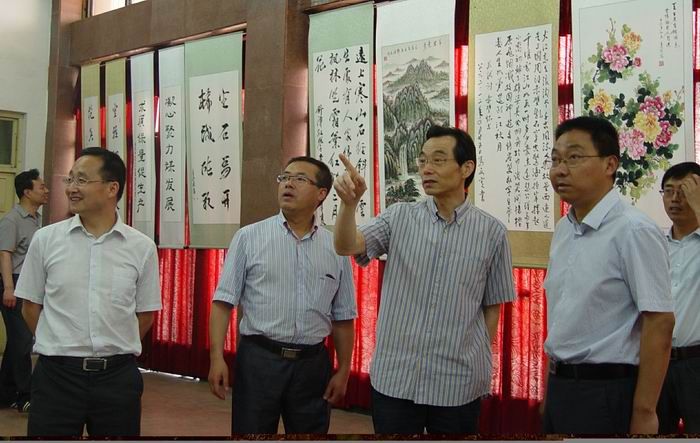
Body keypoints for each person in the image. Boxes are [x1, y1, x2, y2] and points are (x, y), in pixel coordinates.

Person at [333, 125, 515, 434]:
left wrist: (476, 359)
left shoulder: (491, 232)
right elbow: (346, 245)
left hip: (458, 382)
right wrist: (349, 206)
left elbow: (492, 306)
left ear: (466, 168)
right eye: (422, 160)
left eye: (438, 160)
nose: (426, 169)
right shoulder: (399, 216)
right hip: (397, 378)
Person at [14, 147, 162, 437]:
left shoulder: (141, 247)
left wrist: (113, 348)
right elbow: (30, 306)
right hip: (56, 378)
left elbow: (145, 315)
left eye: (81, 180)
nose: (71, 188)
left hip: (117, 380)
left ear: (112, 188)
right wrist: (59, 343)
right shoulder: (46, 240)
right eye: (70, 179)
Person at [542, 116, 675, 435]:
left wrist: (645, 411)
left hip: (607, 391)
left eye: (574, 157)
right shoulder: (563, 229)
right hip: (561, 386)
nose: (560, 170)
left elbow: (659, 321)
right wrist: (551, 392)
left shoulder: (634, 230)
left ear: (610, 164)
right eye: (556, 160)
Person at [208, 156, 357, 434]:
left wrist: (344, 370)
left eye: (300, 179)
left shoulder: (336, 246)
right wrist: (216, 357)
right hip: (259, 360)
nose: (288, 184)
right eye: (284, 177)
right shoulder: (249, 237)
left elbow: (344, 316)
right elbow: (223, 302)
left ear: (321, 194)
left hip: (312, 365)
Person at [656, 162, 700, 434]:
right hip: (655, 361)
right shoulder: (654, 244)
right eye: (669, 191)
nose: (674, 199)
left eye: (683, 192)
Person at [0, 169, 49, 413]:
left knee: (17, 342)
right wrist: (9, 288)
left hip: (28, 283)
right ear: (27, 192)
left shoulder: (36, 220)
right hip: (14, 283)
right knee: (22, 341)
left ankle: (5, 393)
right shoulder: (12, 220)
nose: (46, 190)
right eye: (41, 187)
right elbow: (4, 254)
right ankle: (25, 396)